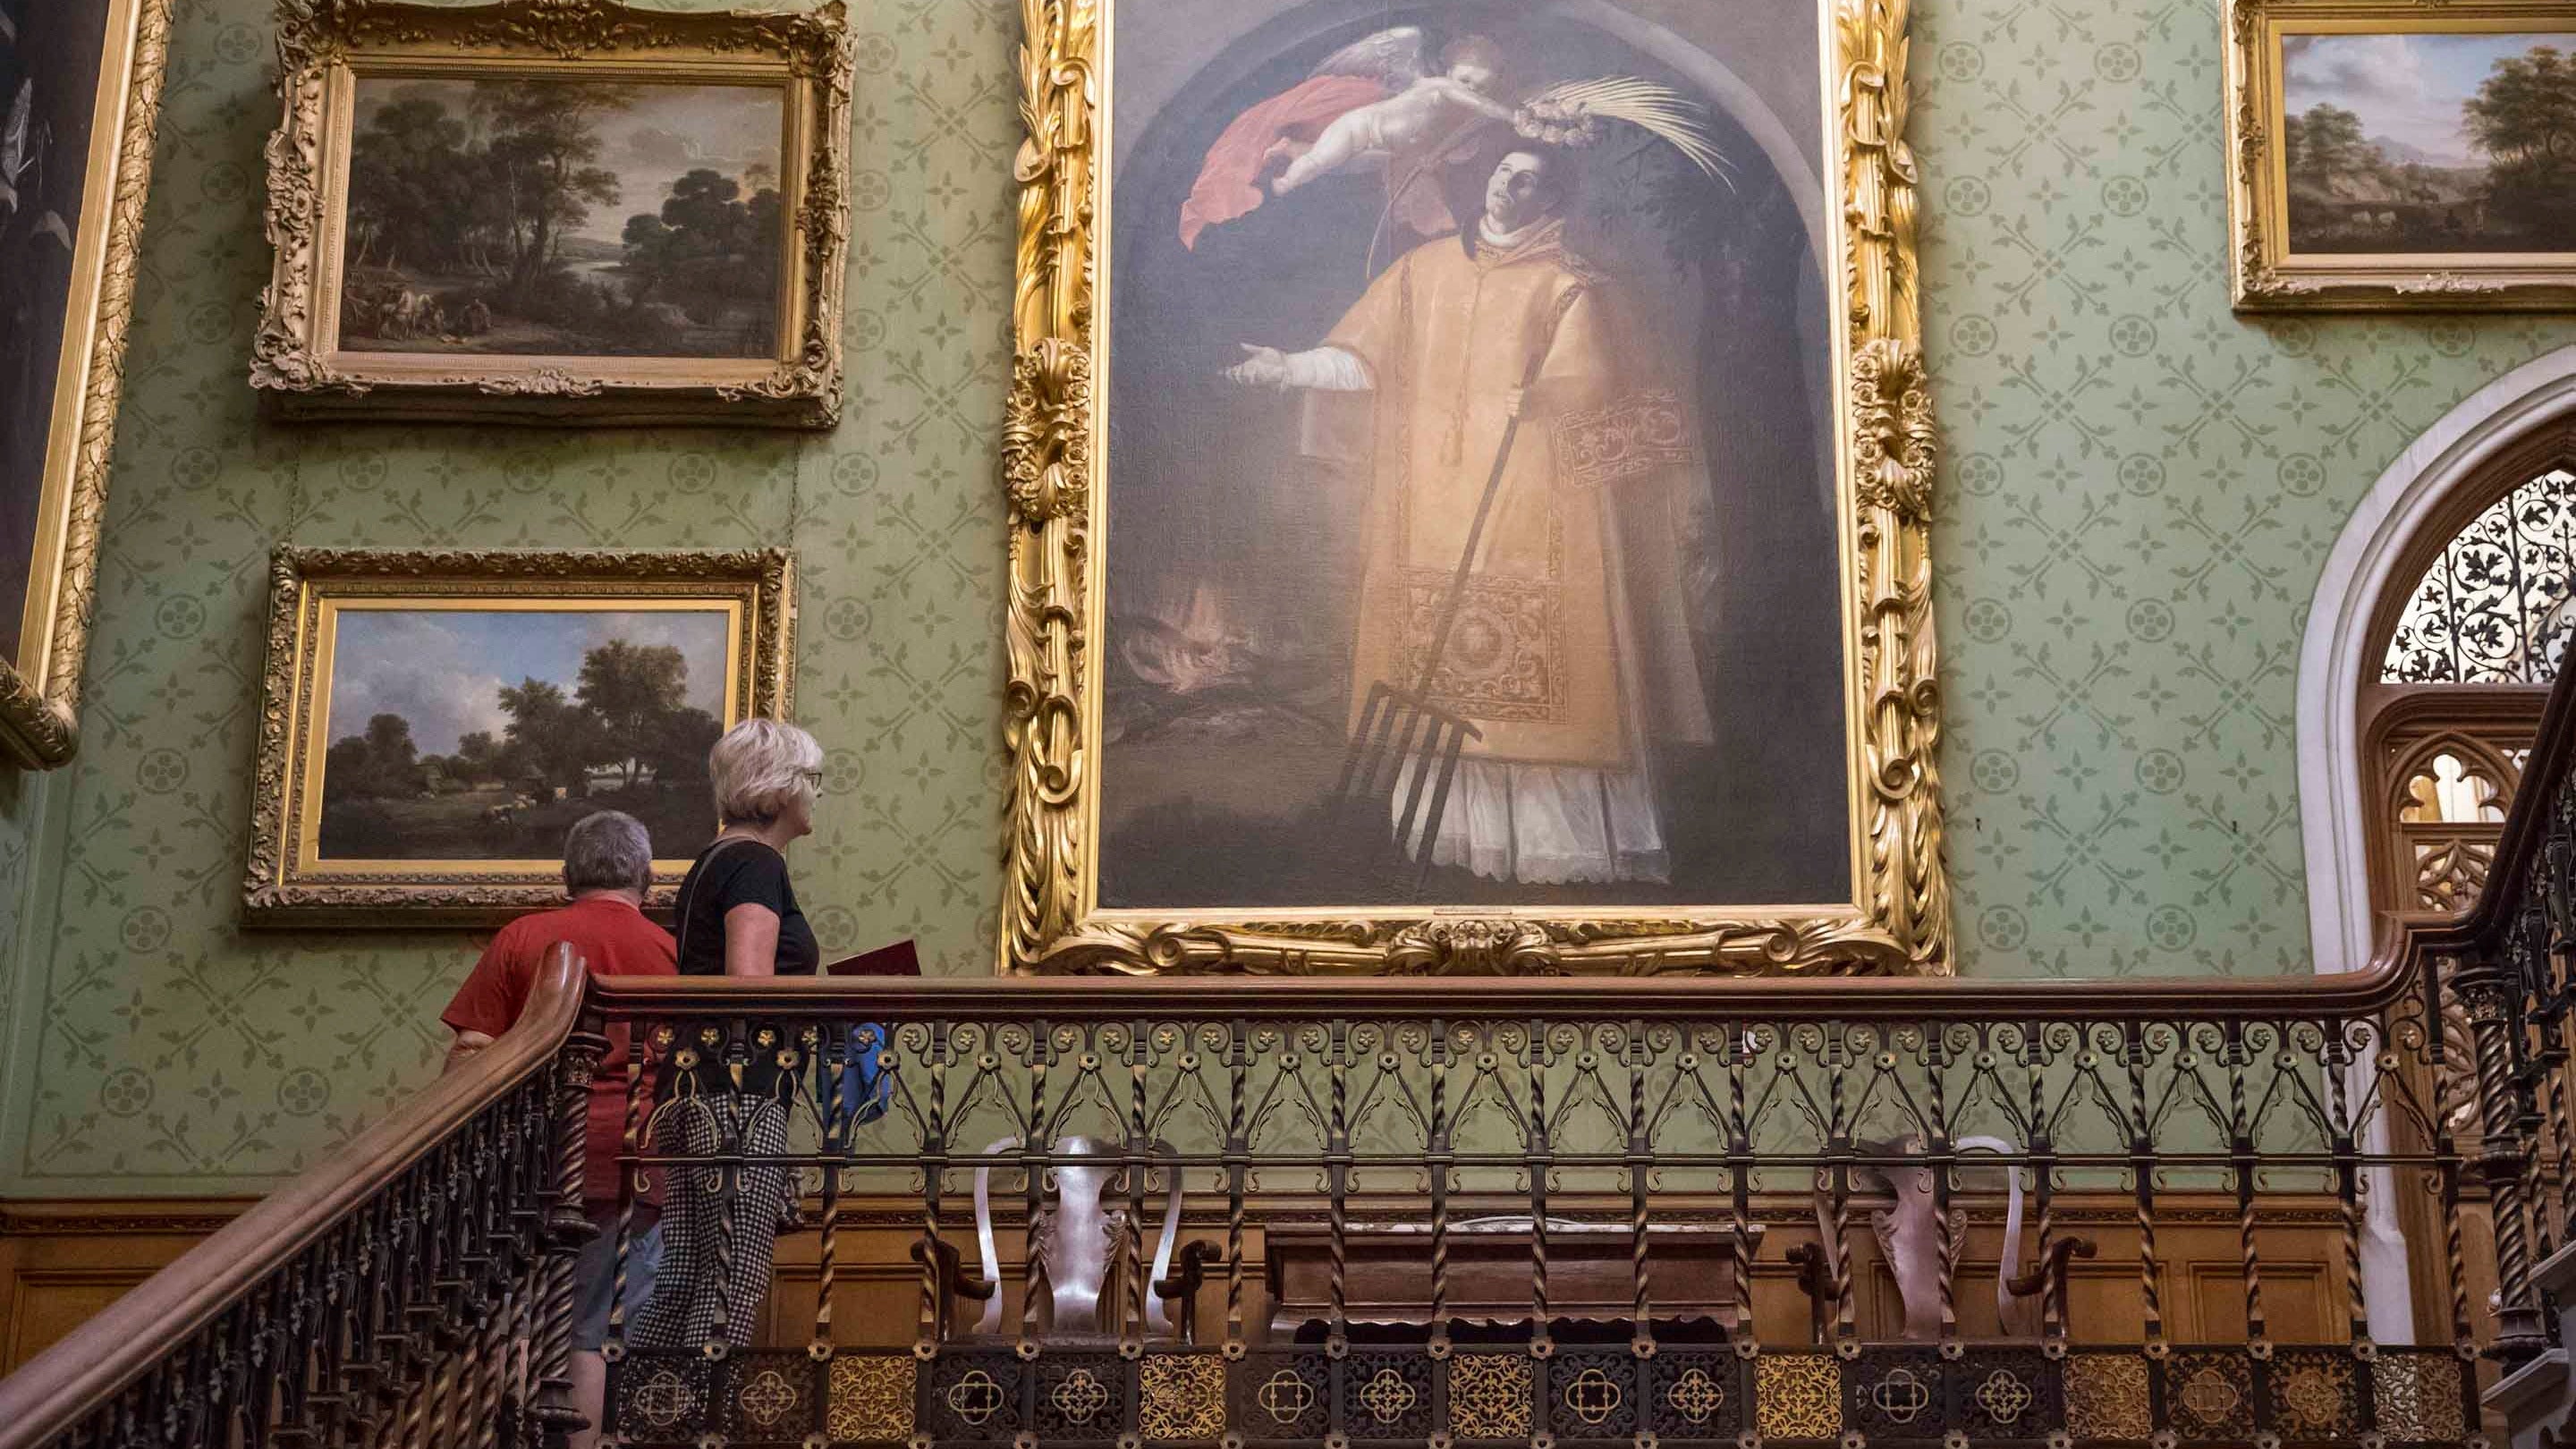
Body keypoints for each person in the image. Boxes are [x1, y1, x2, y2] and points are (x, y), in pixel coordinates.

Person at [1225, 145, 1716, 885]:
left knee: (1549, 668)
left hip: (1539, 502)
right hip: (1431, 505)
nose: (1508, 187)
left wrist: (1552, 395)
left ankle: (1561, 851)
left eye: (1529, 180)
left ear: (1551, 197)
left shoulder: (1571, 284)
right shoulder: (1422, 272)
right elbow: (1364, 359)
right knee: (1434, 668)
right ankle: (1456, 842)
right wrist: (1289, 366)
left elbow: (1604, 383)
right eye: (1501, 171)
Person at [440, 810, 674, 1449]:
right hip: (630, 1161)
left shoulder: (524, 936)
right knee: (592, 1330)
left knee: (514, 1319)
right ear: (646, 879)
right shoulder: (667, 950)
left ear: (568, 874)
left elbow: (470, 1053)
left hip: (530, 1160)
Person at [626, 718, 824, 1351]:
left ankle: (651, 1413)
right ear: (782, 788)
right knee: (732, 1278)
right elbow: (747, 982)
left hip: (693, 1083)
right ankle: (694, 1421)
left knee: (686, 1269)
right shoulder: (757, 863)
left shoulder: (714, 859)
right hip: (740, 1091)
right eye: (811, 781)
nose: (815, 795)